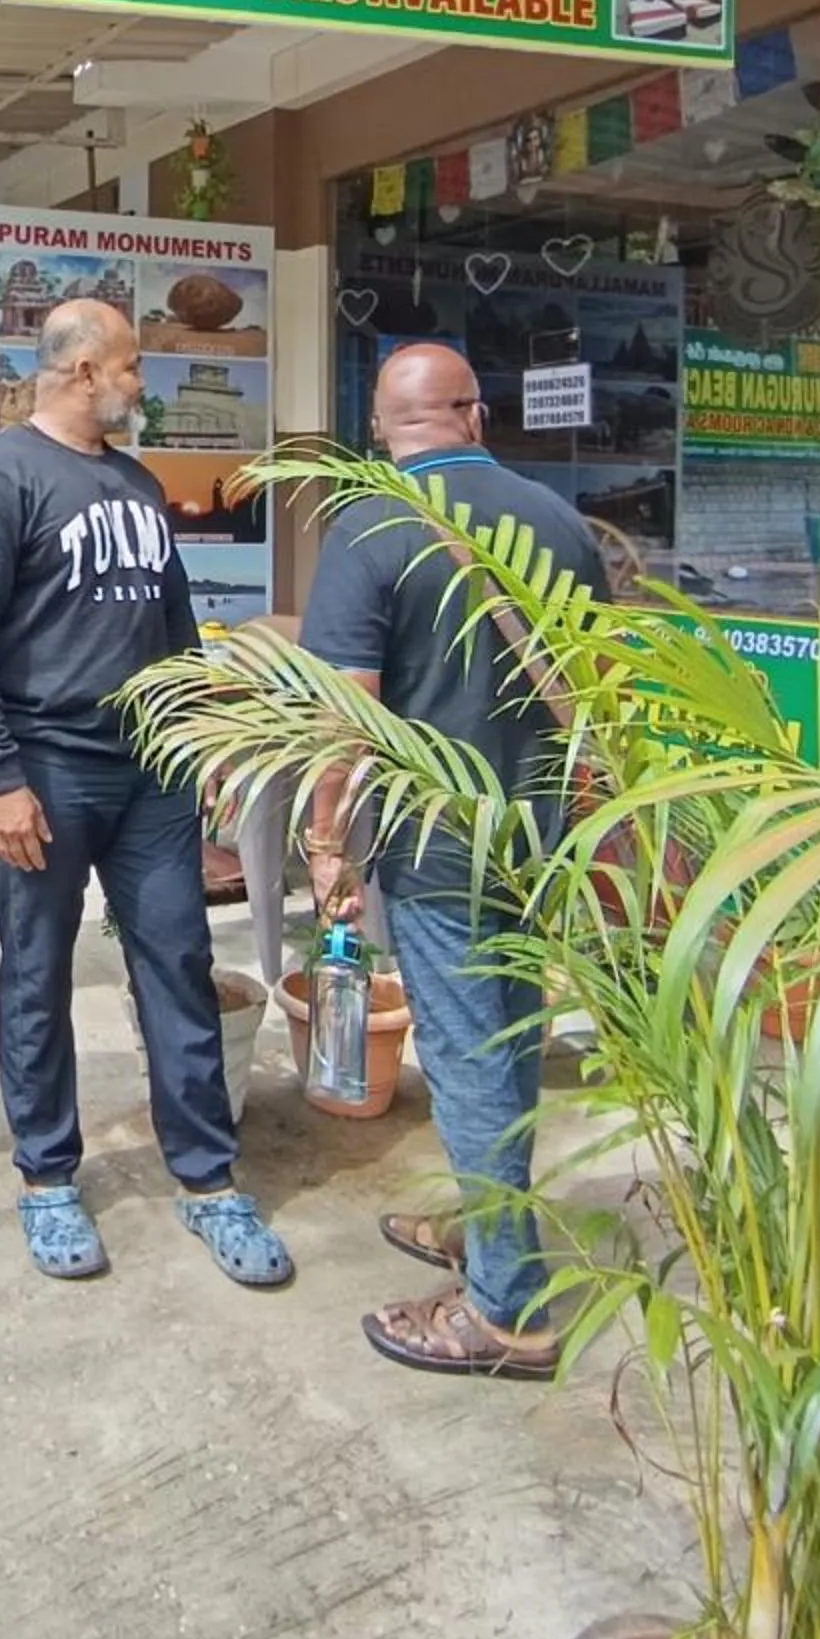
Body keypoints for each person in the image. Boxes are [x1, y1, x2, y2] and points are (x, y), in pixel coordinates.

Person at [0, 298, 294, 1291]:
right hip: (44, 769)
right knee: (37, 974)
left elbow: (174, 634)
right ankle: (48, 1176)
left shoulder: (136, 483)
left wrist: (203, 743)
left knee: (177, 961)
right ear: (85, 369)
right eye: (133, 367)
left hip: (152, 775)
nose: (143, 384)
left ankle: (209, 1179)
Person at [298, 340, 604, 1379]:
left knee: (470, 1061)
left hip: (439, 845)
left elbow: (351, 715)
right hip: (542, 839)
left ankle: (506, 1314)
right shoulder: (561, 521)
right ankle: (492, 1229)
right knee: (507, 1048)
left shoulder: (369, 525)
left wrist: (324, 840)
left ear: (382, 427)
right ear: (476, 415)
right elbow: (597, 685)